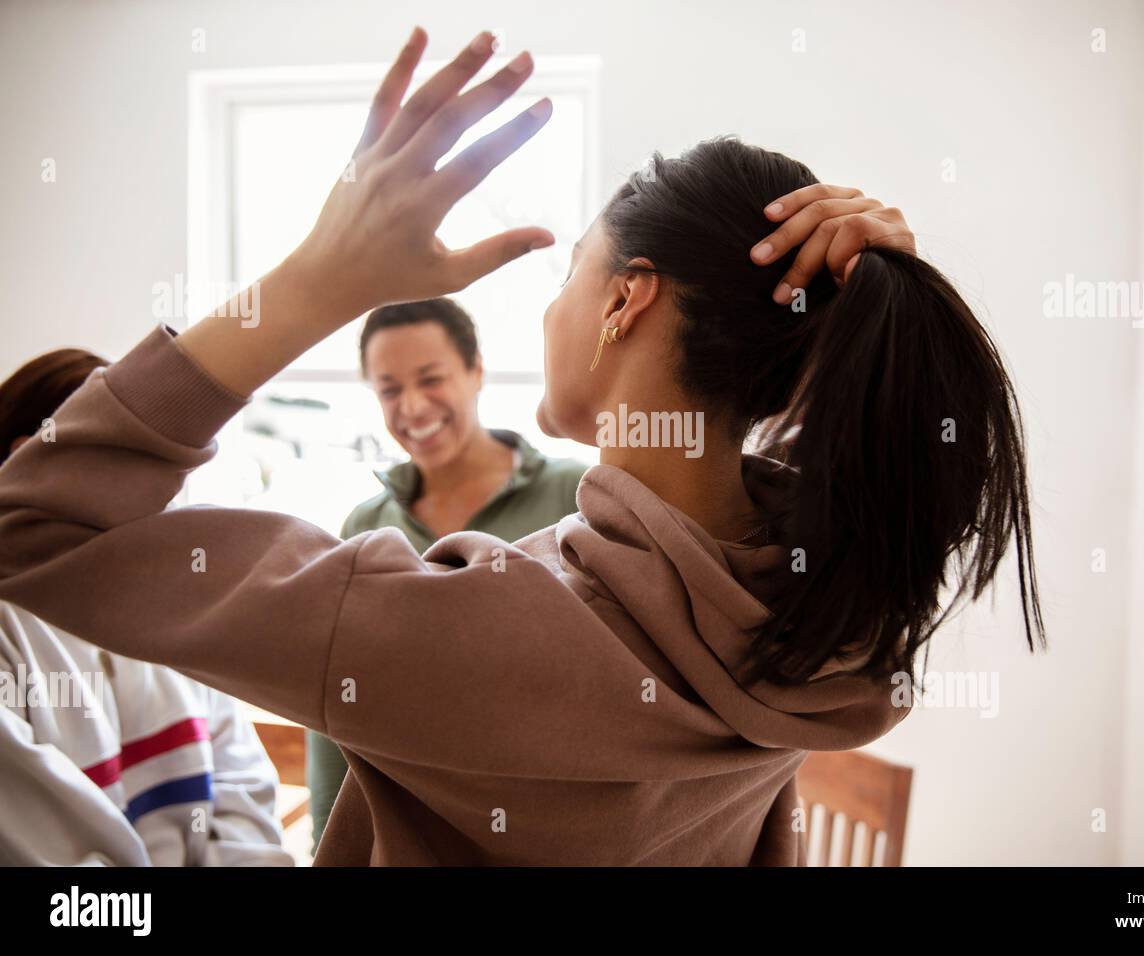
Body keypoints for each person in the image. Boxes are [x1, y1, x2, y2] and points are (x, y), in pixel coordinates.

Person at [0, 27, 1043, 865]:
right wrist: (860, 312)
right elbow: (888, 466)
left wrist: (316, 277)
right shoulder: (834, 619)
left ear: (625, 301)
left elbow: (29, 522)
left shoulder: (449, 629)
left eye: (566, 279)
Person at [307, 297, 586, 851]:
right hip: (410, 837)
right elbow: (333, 711)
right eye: (389, 389)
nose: (412, 407)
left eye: (430, 379)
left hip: (553, 833)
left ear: (476, 370)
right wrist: (326, 844)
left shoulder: (573, 494)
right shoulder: (365, 526)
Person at [0, 349, 292, 866]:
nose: (158, 498)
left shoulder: (175, 605)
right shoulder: (11, 633)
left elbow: (244, 792)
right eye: (126, 468)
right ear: (28, 461)